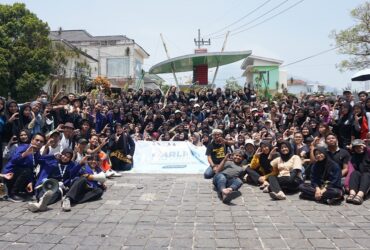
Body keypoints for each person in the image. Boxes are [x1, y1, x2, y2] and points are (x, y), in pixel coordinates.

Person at [2, 133, 45, 202]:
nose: (39, 142)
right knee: (26, 170)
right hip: (9, 175)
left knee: (32, 188)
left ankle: (20, 191)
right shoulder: (24, 147)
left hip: (21, 175)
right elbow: (13, 160)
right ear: (32, 140)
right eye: (37, 140)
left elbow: (32, 169)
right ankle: (12, 194)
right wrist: (25, 154)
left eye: (41, 141)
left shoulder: (37, 153)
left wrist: (30, 182)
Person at [346, 139, 370, 205]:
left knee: (366, 174)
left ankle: (360, 195)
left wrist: (366, 147)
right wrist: (347, 185)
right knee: (354, 173)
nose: (359, 148)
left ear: (363, 146)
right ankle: (352, 194)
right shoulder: (353, 157)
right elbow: (351, 170)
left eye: (360, 146)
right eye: (356, 147)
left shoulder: (368, 152)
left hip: (368, 176)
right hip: (360, 176)